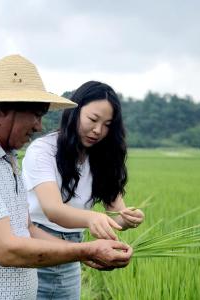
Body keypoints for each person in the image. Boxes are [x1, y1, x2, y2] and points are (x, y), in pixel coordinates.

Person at [0, 55, 132, 300]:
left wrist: (84, 252)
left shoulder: (5, 158)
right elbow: (6, 250)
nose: (39, 127)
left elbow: (27, 228)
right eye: (36, 114)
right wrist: (88, 249)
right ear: (3, 107)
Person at [22, 80, 145, 300]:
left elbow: (118, 216)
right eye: (93, 119)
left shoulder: (103, 158)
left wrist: (130, 218)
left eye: (107, 124)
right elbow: (53, 210)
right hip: (35, 251)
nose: (98, 130)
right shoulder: (43, 151)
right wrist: (91, 219)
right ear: (74, 112)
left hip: (73, 255)